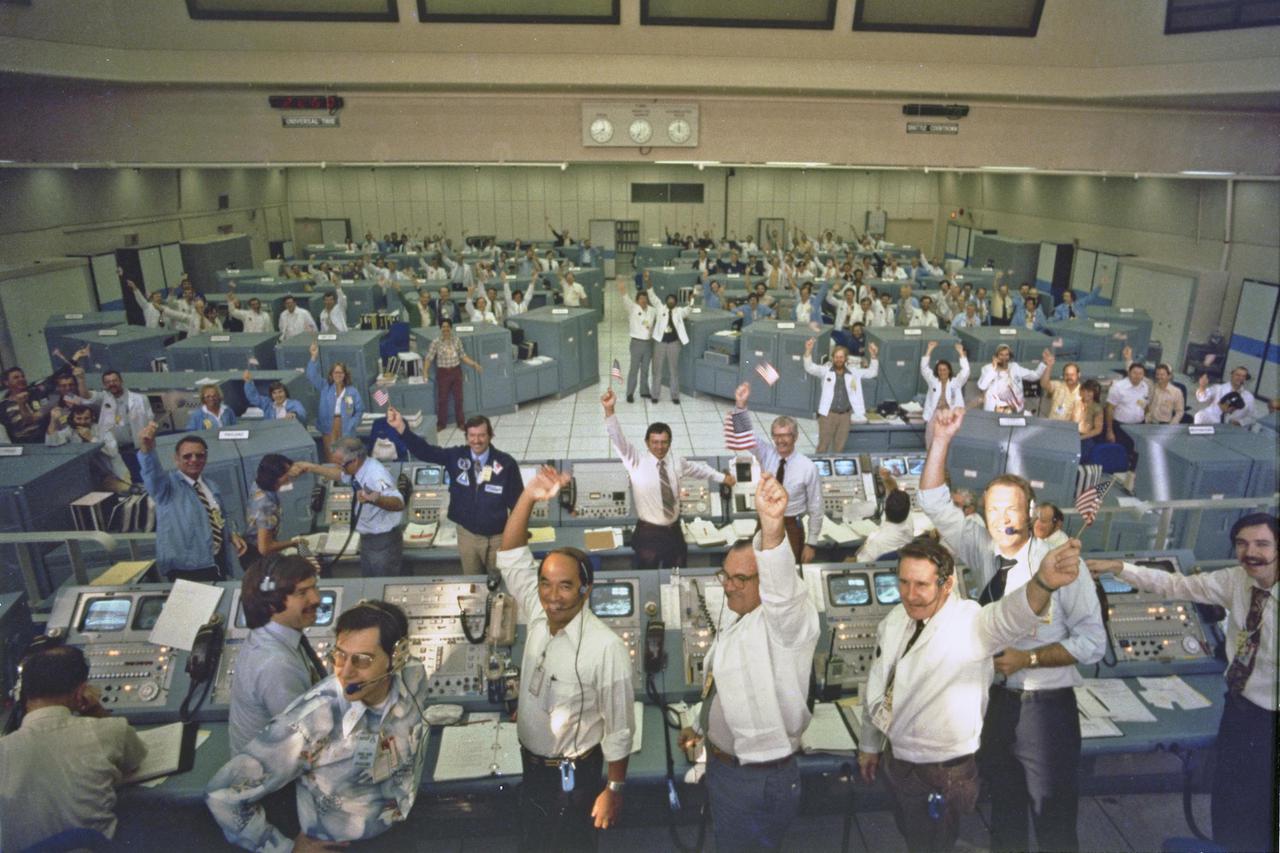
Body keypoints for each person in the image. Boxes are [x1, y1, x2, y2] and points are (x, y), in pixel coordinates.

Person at [917, 407, 1105, 853]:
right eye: (993, 508)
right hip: (994, 705)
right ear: (982, 513)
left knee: (1053, 822)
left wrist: (1029, 658)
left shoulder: (1061, 567)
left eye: (1012, 509)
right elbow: (932, 501)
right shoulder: (982, 545)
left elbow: (1093, 643)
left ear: (1033, 513)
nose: (1003, 518)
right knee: (1004, 817)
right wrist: (941, 440)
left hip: (1044, 708)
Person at [858, 535, 1083, 853]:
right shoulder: (896, 619)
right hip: (898, 759)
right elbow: (878, 681)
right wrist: (870, 745)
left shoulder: (970, 623)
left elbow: (1009, 616)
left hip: (942, 770)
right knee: (915, 835)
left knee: (931, 843)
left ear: (947, 585)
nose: (910, 595)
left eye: (921, 584)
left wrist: (1043, 584)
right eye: (904, 582)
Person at [1086, 513, 1277, 853]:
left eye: (1262, 544)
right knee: (1228, 796)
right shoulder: (1235, 580)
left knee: (1258, 808)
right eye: (1243, 544)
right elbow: (1176, 585)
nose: (1251, 552)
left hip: (1270, 719)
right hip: (1238, 708)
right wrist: (1119, 567)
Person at [206, 600, 430, 851]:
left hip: (397, 827)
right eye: (340, 655)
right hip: (339, 845)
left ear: (396, 658)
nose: (345, 672)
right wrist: (284, 848)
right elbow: (221, 794)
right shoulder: (311, 721)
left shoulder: (414, 677)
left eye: (362, 660)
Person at [678, 473, 819, 853]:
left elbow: (782, 591)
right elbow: (723, 683)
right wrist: (698, 724)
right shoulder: (740, 615)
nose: (728, 586)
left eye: (741, 578)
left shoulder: (788, 622)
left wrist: (772, 530)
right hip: (728, 770)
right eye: (726, 575)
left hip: (756, 780)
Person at [497, 466, 635, 852]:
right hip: (531, 766)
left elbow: (621, 730)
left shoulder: (605, 649)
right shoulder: (539, 613)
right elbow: (510, 554)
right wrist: (527, 496)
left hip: (573, 775)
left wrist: (614, 790)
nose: (552, 595)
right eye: (545, 583)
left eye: (565, 586)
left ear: (585, 590)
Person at [0, 644, 147, 852]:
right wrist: (97, 710)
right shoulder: (111, 731)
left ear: (22, 696)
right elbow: (136, 758)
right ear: (81, 693)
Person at [601, 390, 733, 569]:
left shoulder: (677, 462)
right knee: (648, 583)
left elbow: (700, 471)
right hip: (648, 533)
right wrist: (610, 410)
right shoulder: (635, 461)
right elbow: (618, 440)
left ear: (670, 443)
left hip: (674, 532)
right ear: (647, 443)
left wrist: (723, 477)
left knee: (679, 578)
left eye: (664, 442)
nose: (660, 447)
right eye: (655, 442)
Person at [386, 406, 523, 576]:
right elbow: (425, 451)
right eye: (472, 436)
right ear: (466, 437)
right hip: (467, 537)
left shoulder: (506, 464)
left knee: (500, 584)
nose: (477, 440)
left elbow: (519, 505)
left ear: (490, 435)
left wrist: (516, 537)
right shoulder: (456, 457)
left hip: (497, 539)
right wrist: (401, 428)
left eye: (481, 435)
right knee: (472, 584)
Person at [229, 556, 326, 754]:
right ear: (271, 603)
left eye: (314, 588)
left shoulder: (271, 634)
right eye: (302, 593)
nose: (316, 599)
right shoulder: (276, 664)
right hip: (273, 777)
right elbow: (309, 741)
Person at [139, 423, 247, 581]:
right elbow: (151, 474)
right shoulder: (166, 488)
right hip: (186, 568)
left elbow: (218, 516)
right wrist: (147, 451)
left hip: (215, 560)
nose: (194, 460)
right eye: (187, 456)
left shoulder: (210, 486)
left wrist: (231, 535)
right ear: (176, 459)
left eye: (199, 455)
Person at [729, 382, 822, 563]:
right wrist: (740, 406)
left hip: (791, 525)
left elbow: (816, 507)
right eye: (776, 436)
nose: (780, 440)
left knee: (788, 572)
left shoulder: (807, 467)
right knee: (759, 568)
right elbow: (743, 435)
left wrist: (811, 543)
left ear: (795, 437)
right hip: (765, 520)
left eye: (785, 435)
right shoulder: (766, 453)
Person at [292, 437, 404, 577]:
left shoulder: (376, 475)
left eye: (341, 464)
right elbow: (339, 475)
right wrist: (311, 467)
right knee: (368, 584)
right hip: (367, 539)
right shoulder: (357, 469)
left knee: (379, 585)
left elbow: (399, 503)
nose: (340, 468)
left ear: (355, 460)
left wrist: (376, 499)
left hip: (383, 542)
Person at [802, 338, 879, 453]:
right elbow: (810, 368)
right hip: (828, 415)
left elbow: (872, 372)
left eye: (841, 357)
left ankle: (835, 468)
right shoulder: (826, 371)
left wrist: (873, 356)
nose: (839, 360)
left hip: (845, 416)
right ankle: (818, 468)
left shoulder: (854, 372)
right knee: (823, 446)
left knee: (839, 447)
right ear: (832, 358)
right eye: (836, 357)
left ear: (846, 359)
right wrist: (808, 351)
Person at [46, 403, 132, 492]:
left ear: (92, 418)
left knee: (126, 491)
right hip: (86, 477)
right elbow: (52, 441)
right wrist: (53, 420)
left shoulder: (103, 430)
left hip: (111, 474)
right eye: (78, 419)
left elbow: (112, 452)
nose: (82, 422)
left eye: (86, 418)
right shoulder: (71, 431)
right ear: (73, 419)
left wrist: (91, 438)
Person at [243, 453, 307, 568]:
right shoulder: (266, 505)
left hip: (251, 548)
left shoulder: (259, 485)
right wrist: (293, 543)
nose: (290, 474)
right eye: (286, 473)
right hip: (259, 559)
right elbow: (264, 548)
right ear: (275, 477)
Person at [423, 318, 483, 432]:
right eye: (443, 327)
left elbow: (463, 356)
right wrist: (425, 372)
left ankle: (461, 423)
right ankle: (441, 424)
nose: (445, 329)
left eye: (447, 327)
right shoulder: (436, 342)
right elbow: (428, 358)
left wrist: (474, 364)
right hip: (443, 373)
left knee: (459, 399)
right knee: (442, 399)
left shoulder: (457, 340)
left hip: (456, 372)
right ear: (440, 328)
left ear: (451, 328)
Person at [306, 339, 364, 458]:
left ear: (345, 375)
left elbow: (359, 410)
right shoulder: (325, 387)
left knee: (346, 455)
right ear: (331, 374)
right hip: (328, 424)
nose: (338, 375)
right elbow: (311, 376)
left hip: (346, 424)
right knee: (331, 455)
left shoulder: (352, 391)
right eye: (335, 373)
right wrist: (313, 357)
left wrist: (353, 423)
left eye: (341, 373)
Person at [854, 472, 915, 562]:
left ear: (885, 510)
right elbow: (894, 491)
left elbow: (859, 565)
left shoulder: (877, 542)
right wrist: (887, 478)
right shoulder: (907, 521)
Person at [921, 341, 970, 447]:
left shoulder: (956, 382)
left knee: (949, 442)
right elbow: (924, 368)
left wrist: (961, 353)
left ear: (949, 370)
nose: (942, 372)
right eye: (940, 370)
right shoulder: (933, 381)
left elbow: (965, 371)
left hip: (950, 414)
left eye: (944, 370)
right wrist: (929, 349)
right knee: (930, 441)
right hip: (935, 414)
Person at [978, 345, 1051, 414]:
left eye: (1007, 355)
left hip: (1015, 409)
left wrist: (1044, 363)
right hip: (994, 409)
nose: (1004, 357)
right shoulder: (987, 369)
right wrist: (993, 369)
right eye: (1001, 354)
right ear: (995, 357)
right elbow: (982, 386)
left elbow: (1035, 375)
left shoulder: (1015, 367)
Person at [1104, 359, 1150, 469]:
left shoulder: (1145, 387)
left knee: (1134, 454)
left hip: (1138, 426)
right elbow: (1109, 409)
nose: (1137, 376)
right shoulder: (1118, 387)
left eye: (1140, 374)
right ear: (1129, 373)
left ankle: (1129, 475)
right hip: (1121, 427)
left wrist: (1147, 417)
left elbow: (1145, 404)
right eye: (1134, 373)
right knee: (1119, 455)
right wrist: (1109, 431)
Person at [619, 279, 656, 403]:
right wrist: (622, 288)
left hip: (649, 344)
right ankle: (630, 393)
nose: (643, 301)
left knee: (645, 368)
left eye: (645, 299)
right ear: (637, 300)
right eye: (641, 299)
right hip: (636, 343)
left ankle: (644, 391)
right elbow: (625, 297)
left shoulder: (652, 310)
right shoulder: (632, 308)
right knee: (634, 369)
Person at [243, 370, 308, 425]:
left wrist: (294, 414)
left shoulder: (295, 403)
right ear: (271, 395)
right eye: (274, 393)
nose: (278, 395)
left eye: (280, 392)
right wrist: (248, 382)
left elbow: (302, 414)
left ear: (285, 393)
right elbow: (253, 398)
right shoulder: (267, 404)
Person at [1077, 378, 1105, 459]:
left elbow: (1098, 430)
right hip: (1073, 434)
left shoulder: (1097, 408)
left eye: (1089, 391)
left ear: (1094, 393)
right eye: (1084, 391)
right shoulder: (1076, 403)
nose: (1086, 393)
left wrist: (1081, 438)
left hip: (1086, 438)